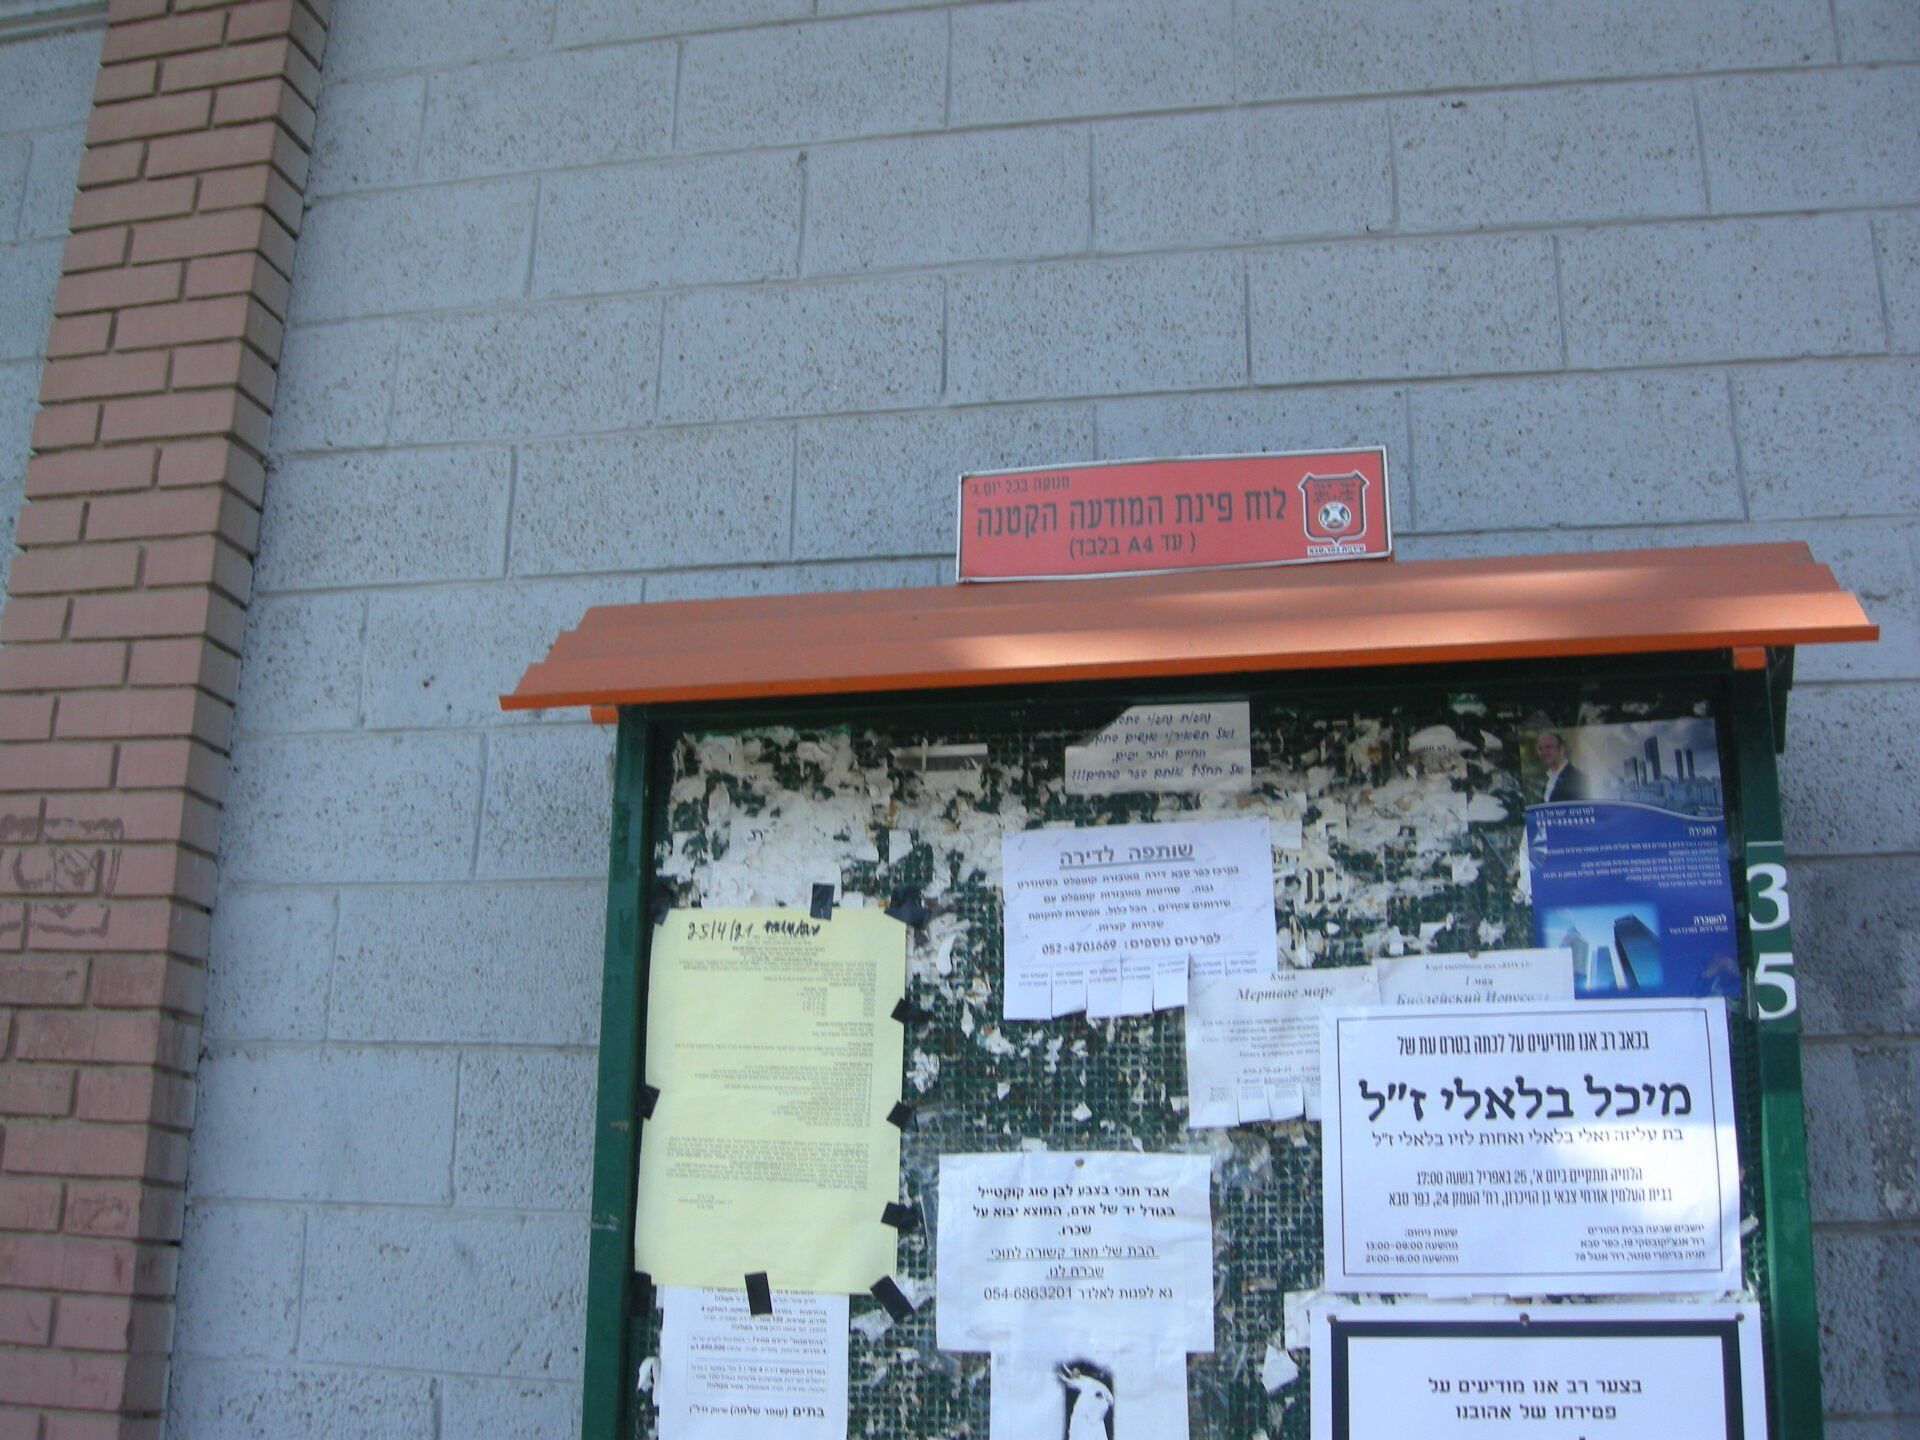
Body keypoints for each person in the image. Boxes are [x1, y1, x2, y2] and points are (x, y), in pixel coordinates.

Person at [1535, 729, 1590, 802]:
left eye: (1548, 747)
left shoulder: (1578, 779)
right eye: (1540, 748)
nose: (1544, 752)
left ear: (1561, 748)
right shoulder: (1545, 780)